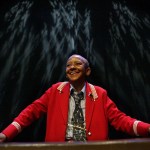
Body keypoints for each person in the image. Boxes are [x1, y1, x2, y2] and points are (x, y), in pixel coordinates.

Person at [0, 54, 150, 142]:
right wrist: (5, 134)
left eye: (77, 64)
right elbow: (29, 113)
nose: (72, 67)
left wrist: (147, 129)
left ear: (88, 71)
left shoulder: (100, 94)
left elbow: (120, 120)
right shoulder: (54, 91)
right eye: (68, 65)